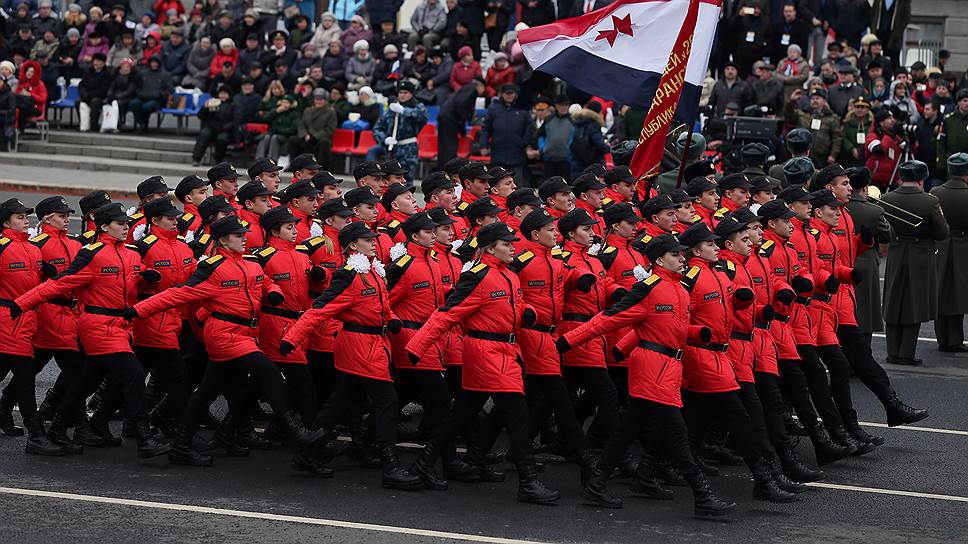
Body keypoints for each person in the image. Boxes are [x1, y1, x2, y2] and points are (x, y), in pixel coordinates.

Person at [558, 233, 735, 516]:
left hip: (667, 368)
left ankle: (596, 485)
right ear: (659, 259)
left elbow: (656, 326)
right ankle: (703, 497)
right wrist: (567, 341)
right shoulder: (650, 288)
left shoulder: (679, 288)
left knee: (625, 432)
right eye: (676, 255)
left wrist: (696, 334)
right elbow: (611, 318)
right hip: (653, 370)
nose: (682, 259)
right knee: (678, 435)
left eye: (682, 255)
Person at [132, 215, 326, 467]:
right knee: (268, 373)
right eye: (238, 236)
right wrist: (136, 311)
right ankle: (295, 432)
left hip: (246, 334)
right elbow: (176, 295)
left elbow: (265, 281)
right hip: (225, 335)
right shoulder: (211, 268)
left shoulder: (251, 263)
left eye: (244, 234)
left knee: (207, 391)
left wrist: (274, 292)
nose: (245, 239)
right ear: (223, 240)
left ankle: (182, 445)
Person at [407, 221, 560, 504]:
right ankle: (527, 482)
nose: (513, 247)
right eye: (507, 244)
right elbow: (446, 314)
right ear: (491, 248)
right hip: (486, 352)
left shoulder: (509, 275)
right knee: (518, 415)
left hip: (505, 350)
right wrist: (417, 346)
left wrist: (527, 312)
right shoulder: (477, 276)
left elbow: (517, 301)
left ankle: (424, 465)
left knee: (461, 414)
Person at [13, 202, 172, 458]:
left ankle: (58, 429)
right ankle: (144, 437)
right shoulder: (92, 254)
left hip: (121, 327)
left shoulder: (131, 252)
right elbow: (58, 284)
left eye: (126, 223)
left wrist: (147, 277)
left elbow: (135, 276)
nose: (126, 227)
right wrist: (21, 304)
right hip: (97, 326)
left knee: (84, 382)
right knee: (133, 374)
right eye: (120, 224)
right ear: (105, 226)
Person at [280, 221, 421, 488]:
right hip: (359, 346)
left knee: (340, 402)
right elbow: (321, 309)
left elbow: (379, 304)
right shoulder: (349, 274)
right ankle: (391, 464)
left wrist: (390, 319)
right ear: (353, 246)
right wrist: (293, 338)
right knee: (387, 402)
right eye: (368, 240)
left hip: (373, 344)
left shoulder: (372, 271)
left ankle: (309, 452)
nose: (374, 243)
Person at [0, 198, 63, 454]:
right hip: (8, 319)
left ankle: (4, 415)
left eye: (26, 215)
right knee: (26, 378)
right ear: (5, 222)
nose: (26, 219)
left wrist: (46, 274)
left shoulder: (33, 249)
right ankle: (36, 435)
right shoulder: (2, 247)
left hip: (27, 320)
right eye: (19, 217)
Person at [129, 198, 194, 437]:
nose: (176, 221)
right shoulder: (143, 247)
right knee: (178, 377)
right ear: (155, 220)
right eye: (170, 218)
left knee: (136, 373)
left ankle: (115, 421)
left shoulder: (183, 247)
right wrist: (144, 278)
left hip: (174, 319)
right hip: (151, 320)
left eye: (176, 217)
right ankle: (175, 425)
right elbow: (129, 280)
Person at [931, 153, 968, 352]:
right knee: (958, 294)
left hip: (941, 245)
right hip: (963, 245)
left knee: (941, 291)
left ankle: (943, 338)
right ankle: (954, 339)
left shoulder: (936, 192)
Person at [371, 80, 429, 181]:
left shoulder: (418, 107)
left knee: (407, 181)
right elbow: (377, 128)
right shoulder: (392, 109)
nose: (402, 95)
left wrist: (403, 111)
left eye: (405, 93)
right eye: (400, 92)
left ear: (411, 94)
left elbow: (422, 117)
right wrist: (384, 139)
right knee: (389, 180)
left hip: (409, 150)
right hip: (392, 149)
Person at [436, 77, 486, 170]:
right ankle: (447, 171)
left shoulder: (465, 89)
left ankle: (444, 170)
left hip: (447, 117)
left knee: (445, 147)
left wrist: (463, 131)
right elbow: (461, 105)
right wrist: (466, 117)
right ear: (480, 86)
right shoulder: (471, 90)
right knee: (448, 148)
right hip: (449, 119)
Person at [785, 88, 842, 167]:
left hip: (822, 157)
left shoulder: (832, 118)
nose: (814, 101)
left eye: (817, 98)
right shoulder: (802, 113)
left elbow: (837, 138)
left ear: (824, 101)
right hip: (802, 154)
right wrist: (791, 101)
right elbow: (788, 116)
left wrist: (833, 155)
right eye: (812, 98)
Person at [289, 87, 337, 170]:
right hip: (307, 137)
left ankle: (322, 168)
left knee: (324, 143)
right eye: (317, 99)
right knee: (293, 140)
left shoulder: (330, 112)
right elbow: (302, 125)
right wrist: (305, 135)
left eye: (321, 99)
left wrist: (315, 136)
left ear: (326, 100)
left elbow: (330, 128)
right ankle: (294, 165)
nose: (319, 101)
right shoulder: (307, 110)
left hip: (320, 138)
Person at [192, 83, 239, 166]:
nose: (223, 96)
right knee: (204, 134)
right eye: (221, 93)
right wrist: (205, 108)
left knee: (222, 139)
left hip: (225, 130)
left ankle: (218, 160)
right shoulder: (213, 102)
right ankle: (196, 158)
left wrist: (225, 127)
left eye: (225, 94)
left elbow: (235, 121)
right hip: (212, 127)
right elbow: (201, 116)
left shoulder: (233, 105)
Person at [129, 56, 172, 133]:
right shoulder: (143, 73)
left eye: (155, 63)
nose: (154, 64)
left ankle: (144, 125)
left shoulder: (165, 75)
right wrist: (139, 93)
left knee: (147, 106)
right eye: (152, 62)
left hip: (157, 99)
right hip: (143, 96)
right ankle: (141, 123)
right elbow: (137, 85)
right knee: (134, 103)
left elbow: (168, 89)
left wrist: (159, 95)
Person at [78, 52, 112, 132]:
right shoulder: (88, 71)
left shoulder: (107, 73)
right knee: (78, 102)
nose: (96, 63)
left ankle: (94, 124)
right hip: (87, 95)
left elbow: (104, 89)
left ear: (103, 63)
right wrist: (83, 93)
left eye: (99, 61)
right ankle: (83, 124)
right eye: (95, 60)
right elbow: (82, 84)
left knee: (95, 101)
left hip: (99, 96)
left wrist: (90, 94)